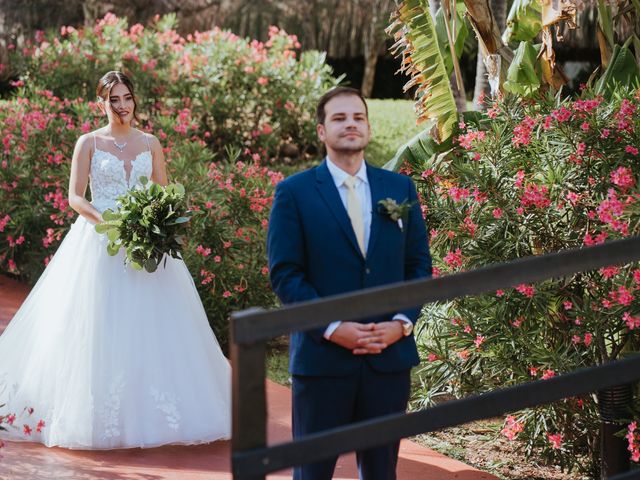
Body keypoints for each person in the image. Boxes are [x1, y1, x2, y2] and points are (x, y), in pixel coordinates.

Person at [0, 71, 230, 449]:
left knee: (153, 324)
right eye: (114, 100)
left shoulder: (151, 142)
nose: (122, 106)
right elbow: (75, 197)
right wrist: (109, 222)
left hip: (145, 243)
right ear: (101, 104)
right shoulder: (88, 143)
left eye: (127, 98)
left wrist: (155, 222)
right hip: (99, 241)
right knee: (98, 322)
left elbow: (162, 192)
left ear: (134, 100)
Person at [267, 87, 432, 480]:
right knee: (313, 472)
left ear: (368, 127)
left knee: (381, 472)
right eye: (339, 118)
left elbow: (419, 265)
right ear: (322, 132)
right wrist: (333, 328)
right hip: (323, 361)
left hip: (388, 358)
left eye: (358, 117)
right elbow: (286, 274)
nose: (351, 124)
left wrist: (400, 324)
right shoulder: (294, 193)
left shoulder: (399, 189)